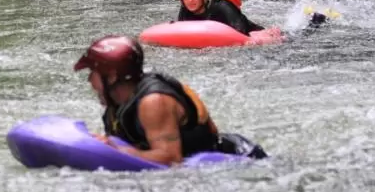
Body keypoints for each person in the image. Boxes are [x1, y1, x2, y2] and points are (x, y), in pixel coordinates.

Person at [74, 35, 267, 165]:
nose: (90, 79)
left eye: (94, 72)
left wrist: (114, 150)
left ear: (113, 76)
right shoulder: (117, 102)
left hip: (241, 160)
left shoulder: (154, 102)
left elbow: (170, 158)